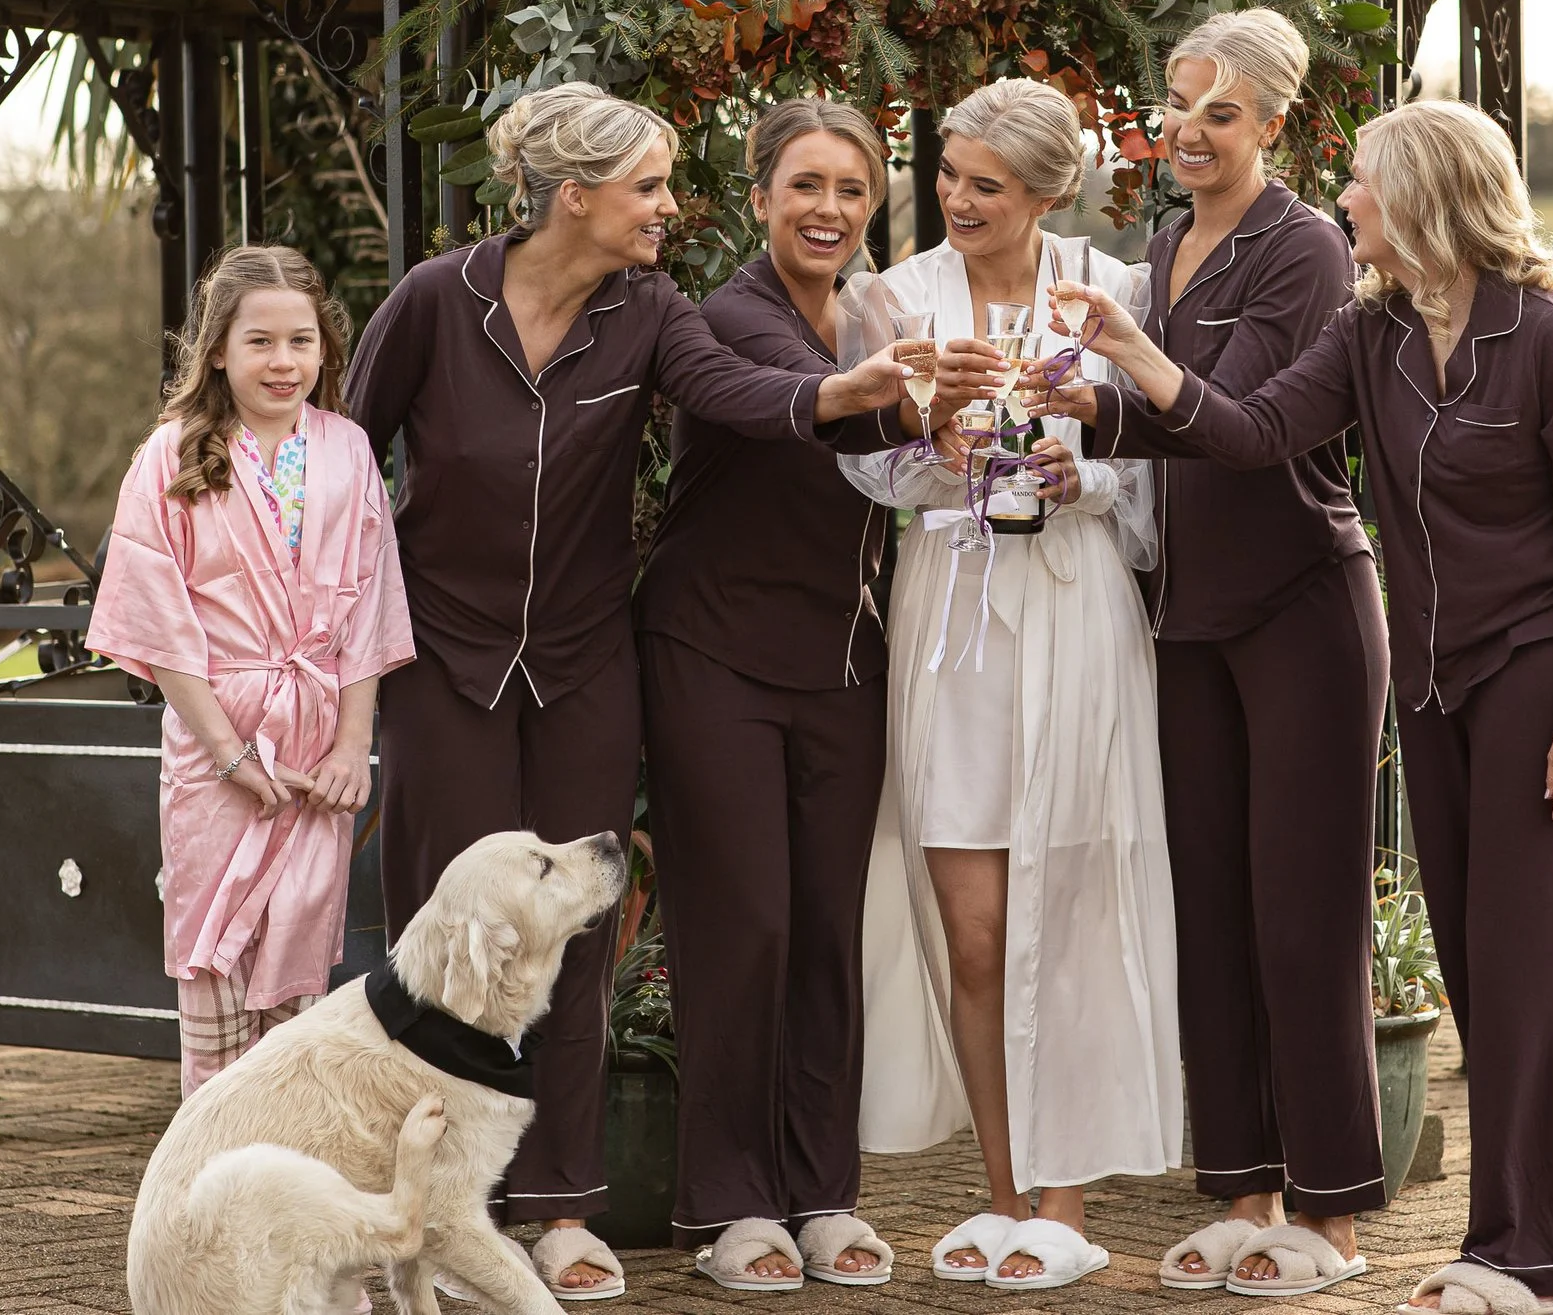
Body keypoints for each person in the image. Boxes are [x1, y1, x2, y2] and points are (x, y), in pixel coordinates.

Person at [1040, 98, 1553, 1315]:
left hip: (1537, 675)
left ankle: (1530, 1262)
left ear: (1426, 195)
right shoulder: (1371, 331)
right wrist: (1122, 361)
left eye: (1364, 181)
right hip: (1431, 682)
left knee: (1524, 964)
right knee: (1487, 964)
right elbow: (1257, 429)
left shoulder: (1551, 339)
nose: (1346, 200)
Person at [344, 82, 913, 1302]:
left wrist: (835, 395)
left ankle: (553, 1208)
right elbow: (345, 456)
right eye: (650, 187)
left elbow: (728, 392)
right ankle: (426, 1207)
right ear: (575, 196)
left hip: (590, 661)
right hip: (444, 659)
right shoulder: (436, 303)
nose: (668, 207)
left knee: (576, 943)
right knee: (441, 938)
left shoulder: (650, 310)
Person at [634, 97, 1000, 1291]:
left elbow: (907, 461)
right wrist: (906, 390)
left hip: (843, 668)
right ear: (758, 197)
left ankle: (822, 1190)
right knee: (741, 927)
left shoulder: (877, 311)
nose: (830, 208)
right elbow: (818, 398)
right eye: (805, 185)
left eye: (851, 188)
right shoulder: (727, 314)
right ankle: (731, 1206)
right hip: (713, 660)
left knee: (826, 935)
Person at [849, 77, 1179, 1293]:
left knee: (1074, 912)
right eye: (947, 173)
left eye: (986, 183)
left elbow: (1158, 480)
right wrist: (933, 452)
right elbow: (859, 473)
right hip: (956, 623)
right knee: (976, 934)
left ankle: (1064, 1200)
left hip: (1079, 614)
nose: (956, 197)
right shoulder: (895, 297)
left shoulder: (1119, 292)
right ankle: (999, 1197)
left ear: (1047, 192)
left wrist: (1079, 470)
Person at [1119, 10, 1392, 1297]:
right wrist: (1076, 409)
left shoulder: (1309, 251)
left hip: (1300, 610)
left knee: (1303, 918)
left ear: (1273, 124)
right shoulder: (1166, 241)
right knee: (1213, 916)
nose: (1188, 131)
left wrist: (1126, 366)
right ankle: (1244, 1194)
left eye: (1219, 113)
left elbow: (1245, 429)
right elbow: (1159, 422)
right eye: (1178, 104)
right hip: (1185, 615)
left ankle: (1332, 1218)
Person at [86, 245, 415, 1099]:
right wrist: (231, 754)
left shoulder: (347, 451)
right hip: (215, 744)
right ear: (220, 350)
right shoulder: (171, 457)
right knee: (215, 977)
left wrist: (352, 745)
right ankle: (209, 1194)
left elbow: (371, 607)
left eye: (301, 341)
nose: (283, 361)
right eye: (260, 341)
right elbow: (160, 631)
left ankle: (287, 1193)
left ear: (325, 350)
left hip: (314, 749)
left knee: (299, 986)